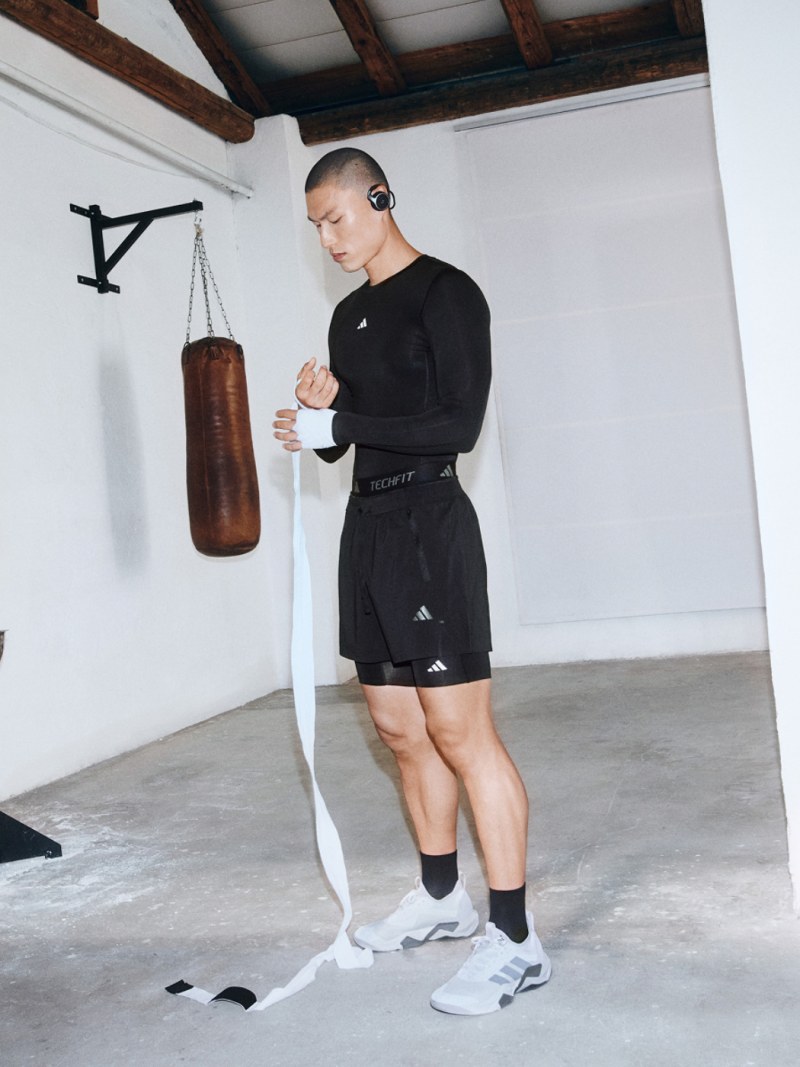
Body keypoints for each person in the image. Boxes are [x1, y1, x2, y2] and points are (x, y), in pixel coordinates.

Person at [273, 148, 550, 1016]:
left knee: (462, 731)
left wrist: (344, 420)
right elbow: (352, 441)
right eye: (316, 227)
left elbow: (457, 425)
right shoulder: (347, 318)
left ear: (380, 197)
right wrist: (317, 420)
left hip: (430, 524)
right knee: (399, 728)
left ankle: (516, 939)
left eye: (336, 218)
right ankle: (441, 897)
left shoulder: (447, 293)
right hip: (368, 530)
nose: (327, 239)